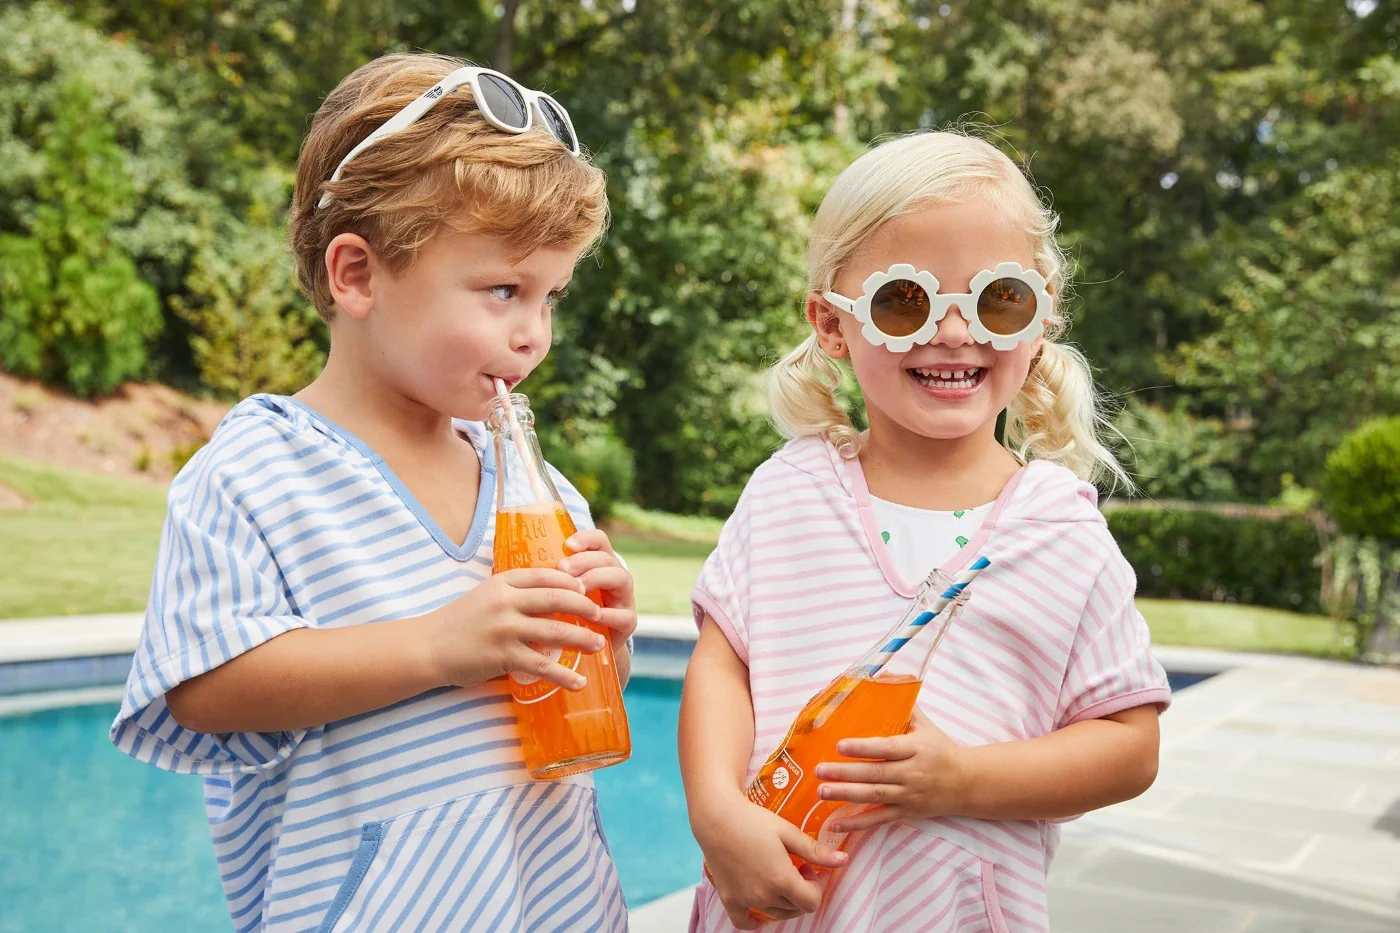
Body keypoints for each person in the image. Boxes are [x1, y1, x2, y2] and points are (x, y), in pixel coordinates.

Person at [111, 53, 634, 932]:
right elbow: (201, 687)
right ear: (357, 275)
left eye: (552, 296)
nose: (533, 333)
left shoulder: (539, 492)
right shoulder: (254, 473)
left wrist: (606, 645)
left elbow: (578, 696)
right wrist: (438, 644)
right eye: (504, 289)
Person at [680, 130, 1171, 932]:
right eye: (904, 301)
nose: (953, 332)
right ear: (833, 325)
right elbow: (721, 663)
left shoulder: (1059, 533)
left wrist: (961, 779)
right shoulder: (791, 492)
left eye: (997, 299)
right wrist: (714, 811)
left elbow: (1128, 744)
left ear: (1039, 317)